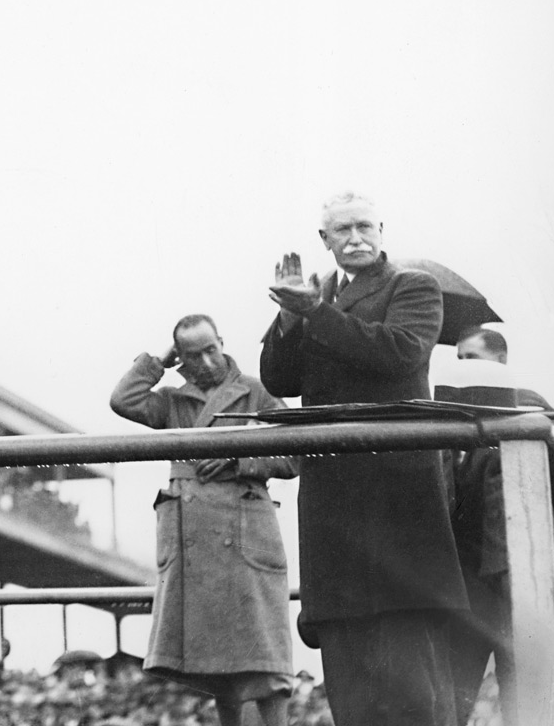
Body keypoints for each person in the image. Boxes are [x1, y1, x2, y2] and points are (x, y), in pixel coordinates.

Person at [260, 190, 468, 726]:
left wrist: (314, 313)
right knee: (349, 672)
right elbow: (280, 380)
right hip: (334, 494)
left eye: (364, 227)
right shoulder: (317, 294)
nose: (355, 238)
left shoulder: (412, 286)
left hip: (396, 493)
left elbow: (398, 351)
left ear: (381, 230)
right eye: (342, 230)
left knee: (414, 678)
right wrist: (289, 318)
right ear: (324, 241)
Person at [110, 314, 297, 726]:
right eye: (193, 355)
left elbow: (294, 454)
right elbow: (123, 400)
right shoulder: (174, 402)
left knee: (267, 656)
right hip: (195, 539)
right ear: (182, 359)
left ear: (222, 342)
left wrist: (239, 454)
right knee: (219, 668)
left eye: (211, 349)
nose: (208, 362)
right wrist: (159, 361)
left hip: (247, 528)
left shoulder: (256, 391)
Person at [448, 325, 554, 725]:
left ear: (501, 362)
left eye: (473, 358)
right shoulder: (458, 416)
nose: (464, 368)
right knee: (456, 682)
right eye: (459, 359)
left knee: (523, 684)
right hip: (474, 572)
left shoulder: (525, 404)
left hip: (521, 569)